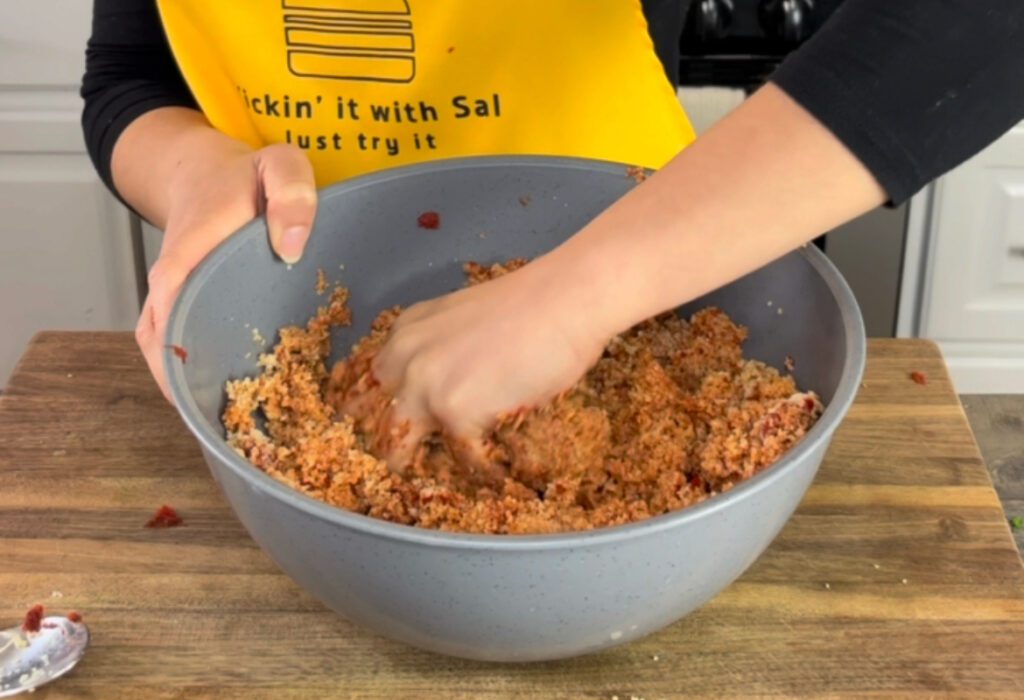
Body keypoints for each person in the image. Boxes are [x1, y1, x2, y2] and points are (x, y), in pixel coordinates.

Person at [83, 0, 1024, 471]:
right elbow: (129, 75)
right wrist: (195, 170)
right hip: (299, 298)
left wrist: (580, 293)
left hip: (650, 269)